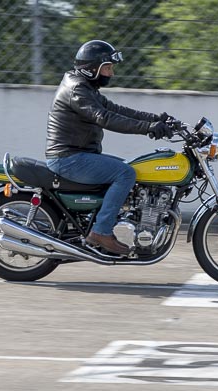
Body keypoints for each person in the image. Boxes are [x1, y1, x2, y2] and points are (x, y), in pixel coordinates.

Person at [45, 39, 174, 255]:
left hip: (78, 154)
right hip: (68, 158)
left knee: (130, 168)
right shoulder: (77, 89)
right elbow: (104, 117)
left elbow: (116, 109)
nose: (111, 73)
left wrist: (157, 119)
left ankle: (106, 224)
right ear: (92, 69)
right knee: (125, 174)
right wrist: (148, 128)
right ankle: (101, 232)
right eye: (107, 67)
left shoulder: (85, 87)